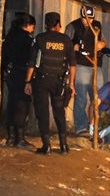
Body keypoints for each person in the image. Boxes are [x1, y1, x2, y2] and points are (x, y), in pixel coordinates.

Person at [26, 11, 74, 154]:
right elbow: (73, 64)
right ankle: (64, 145)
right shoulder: (66, 40)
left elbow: (32, 63)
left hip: (41, 81)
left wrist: (27, 81)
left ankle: (46, 145)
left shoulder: (39, 39)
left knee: (42, 112)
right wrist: (71, 84)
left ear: (46, 24)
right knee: (59, 112)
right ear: (58, 24)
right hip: (59, 82)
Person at [66, 5, 107, 136]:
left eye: (91, 18)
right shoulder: (72, 26)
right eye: (85, 19)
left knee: (98, 97)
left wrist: (102, 44)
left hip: (96, 65)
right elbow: (65, 44)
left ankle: (94, 125)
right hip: (81, 65)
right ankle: (81, 127)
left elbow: (104, 40)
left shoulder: (97, 26)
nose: (88, 21)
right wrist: (74, 46)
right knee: (81, 98)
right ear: (81, 17)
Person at [2, 13, 36, 147]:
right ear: (27, 26)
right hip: (22, 74)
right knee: (22, 105)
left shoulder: (10, 36)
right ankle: (20, 138)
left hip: (11, 74)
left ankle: (11, 137)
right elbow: (31, 59)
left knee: (12, 103)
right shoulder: (26, 39)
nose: (33, 29)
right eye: (32, 26)